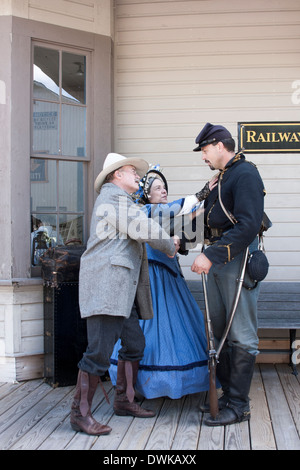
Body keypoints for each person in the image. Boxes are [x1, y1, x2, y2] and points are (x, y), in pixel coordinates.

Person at [70, 153, 177, 436]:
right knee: (98, 354)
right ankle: (80, 415)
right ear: (116, 175)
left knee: (134, 344)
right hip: (107, 288)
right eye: (132, 171)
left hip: (120, 291)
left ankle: (124, 401)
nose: (138, 176)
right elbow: (143, 228)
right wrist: (170, 244)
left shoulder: (122, 201)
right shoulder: (112, 199)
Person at [109, 166, 218, 399]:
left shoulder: (167, 215)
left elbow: (189, 228)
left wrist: (204, 212)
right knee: (154, 330)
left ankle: (182, 379)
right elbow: (170, 213)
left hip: (172, 280)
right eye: (158, 188)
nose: (164, 191)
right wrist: (201, 194)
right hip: (152, 281)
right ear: (147, 194)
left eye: (165, 187)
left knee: (180, 328)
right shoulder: (144, 211)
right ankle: (142, 385)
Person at [191, 123, 266, 426]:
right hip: (219, 262)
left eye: (205, 150)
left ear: (220, 146)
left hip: (235, 260)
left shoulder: (245, 173)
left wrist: (211, 254)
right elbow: (210, 221)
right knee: (221, 332)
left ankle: (239, 406)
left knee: (242, 335)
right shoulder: (224, 177)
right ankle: (227, 395)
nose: (203, 157)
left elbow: (248, 225)